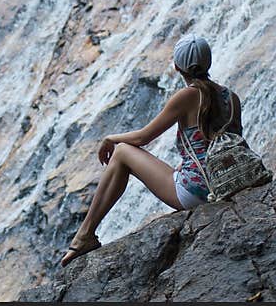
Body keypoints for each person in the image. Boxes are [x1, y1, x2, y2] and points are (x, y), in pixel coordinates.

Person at [60, 33, 242, 267]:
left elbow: (143, 137)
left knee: (123, 152)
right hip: (228, 183)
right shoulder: (231, 97)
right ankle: (84, 236)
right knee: (131, 153)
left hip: (197, 192)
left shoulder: (187, 95)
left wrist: (110, 138)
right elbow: (229, 144)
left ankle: (84, 236)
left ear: (177, 67)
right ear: (208, 62)